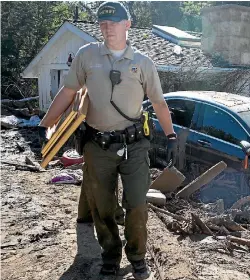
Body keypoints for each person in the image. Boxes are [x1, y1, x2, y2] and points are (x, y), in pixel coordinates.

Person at [38, 1, 177, 278]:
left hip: (135, 146)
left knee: (137, 204)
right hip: (97, 146)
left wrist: (171, 135)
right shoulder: (87, 55)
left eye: (114, 22)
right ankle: (110, 255)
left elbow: (159, 102)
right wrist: (46, 126)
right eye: (103, 23)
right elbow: (68, 93)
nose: (107, 28)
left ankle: (137, 255)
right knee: (102, 207)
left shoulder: (143, 63)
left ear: (128, 25)